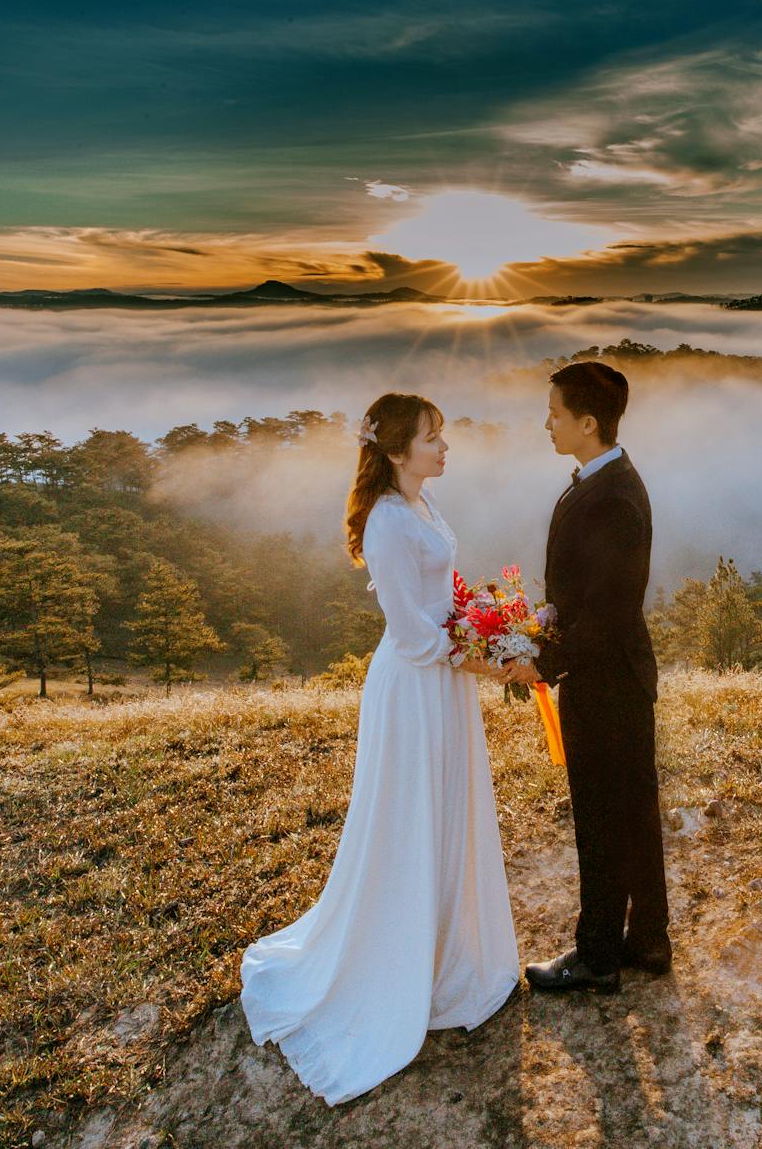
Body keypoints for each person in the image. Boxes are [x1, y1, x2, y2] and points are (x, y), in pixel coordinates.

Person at [239, 393, 519, 1105]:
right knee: (407, 818)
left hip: (445, 682)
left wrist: (485, 622)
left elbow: (444, 603)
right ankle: (394, 964)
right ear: (397, 451)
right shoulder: (387, 521)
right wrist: (488, 659)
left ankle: (445, 952)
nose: (444, 446)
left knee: (447, 806)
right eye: (432, 438)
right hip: (416, 685)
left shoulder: (420, 506)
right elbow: (411, 629)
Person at [501, 361, 670, 993]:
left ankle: (598, 956)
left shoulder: (615, 500)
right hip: (612, 673)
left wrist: (542, 660)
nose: (547, 422)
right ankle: (650, 941)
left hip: (607, 680)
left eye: (555, 413)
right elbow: (579, 594)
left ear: (588, 423)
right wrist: (538, 622)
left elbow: (607, 612)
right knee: (632, 810)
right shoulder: (601, 481)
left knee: (602, 817)